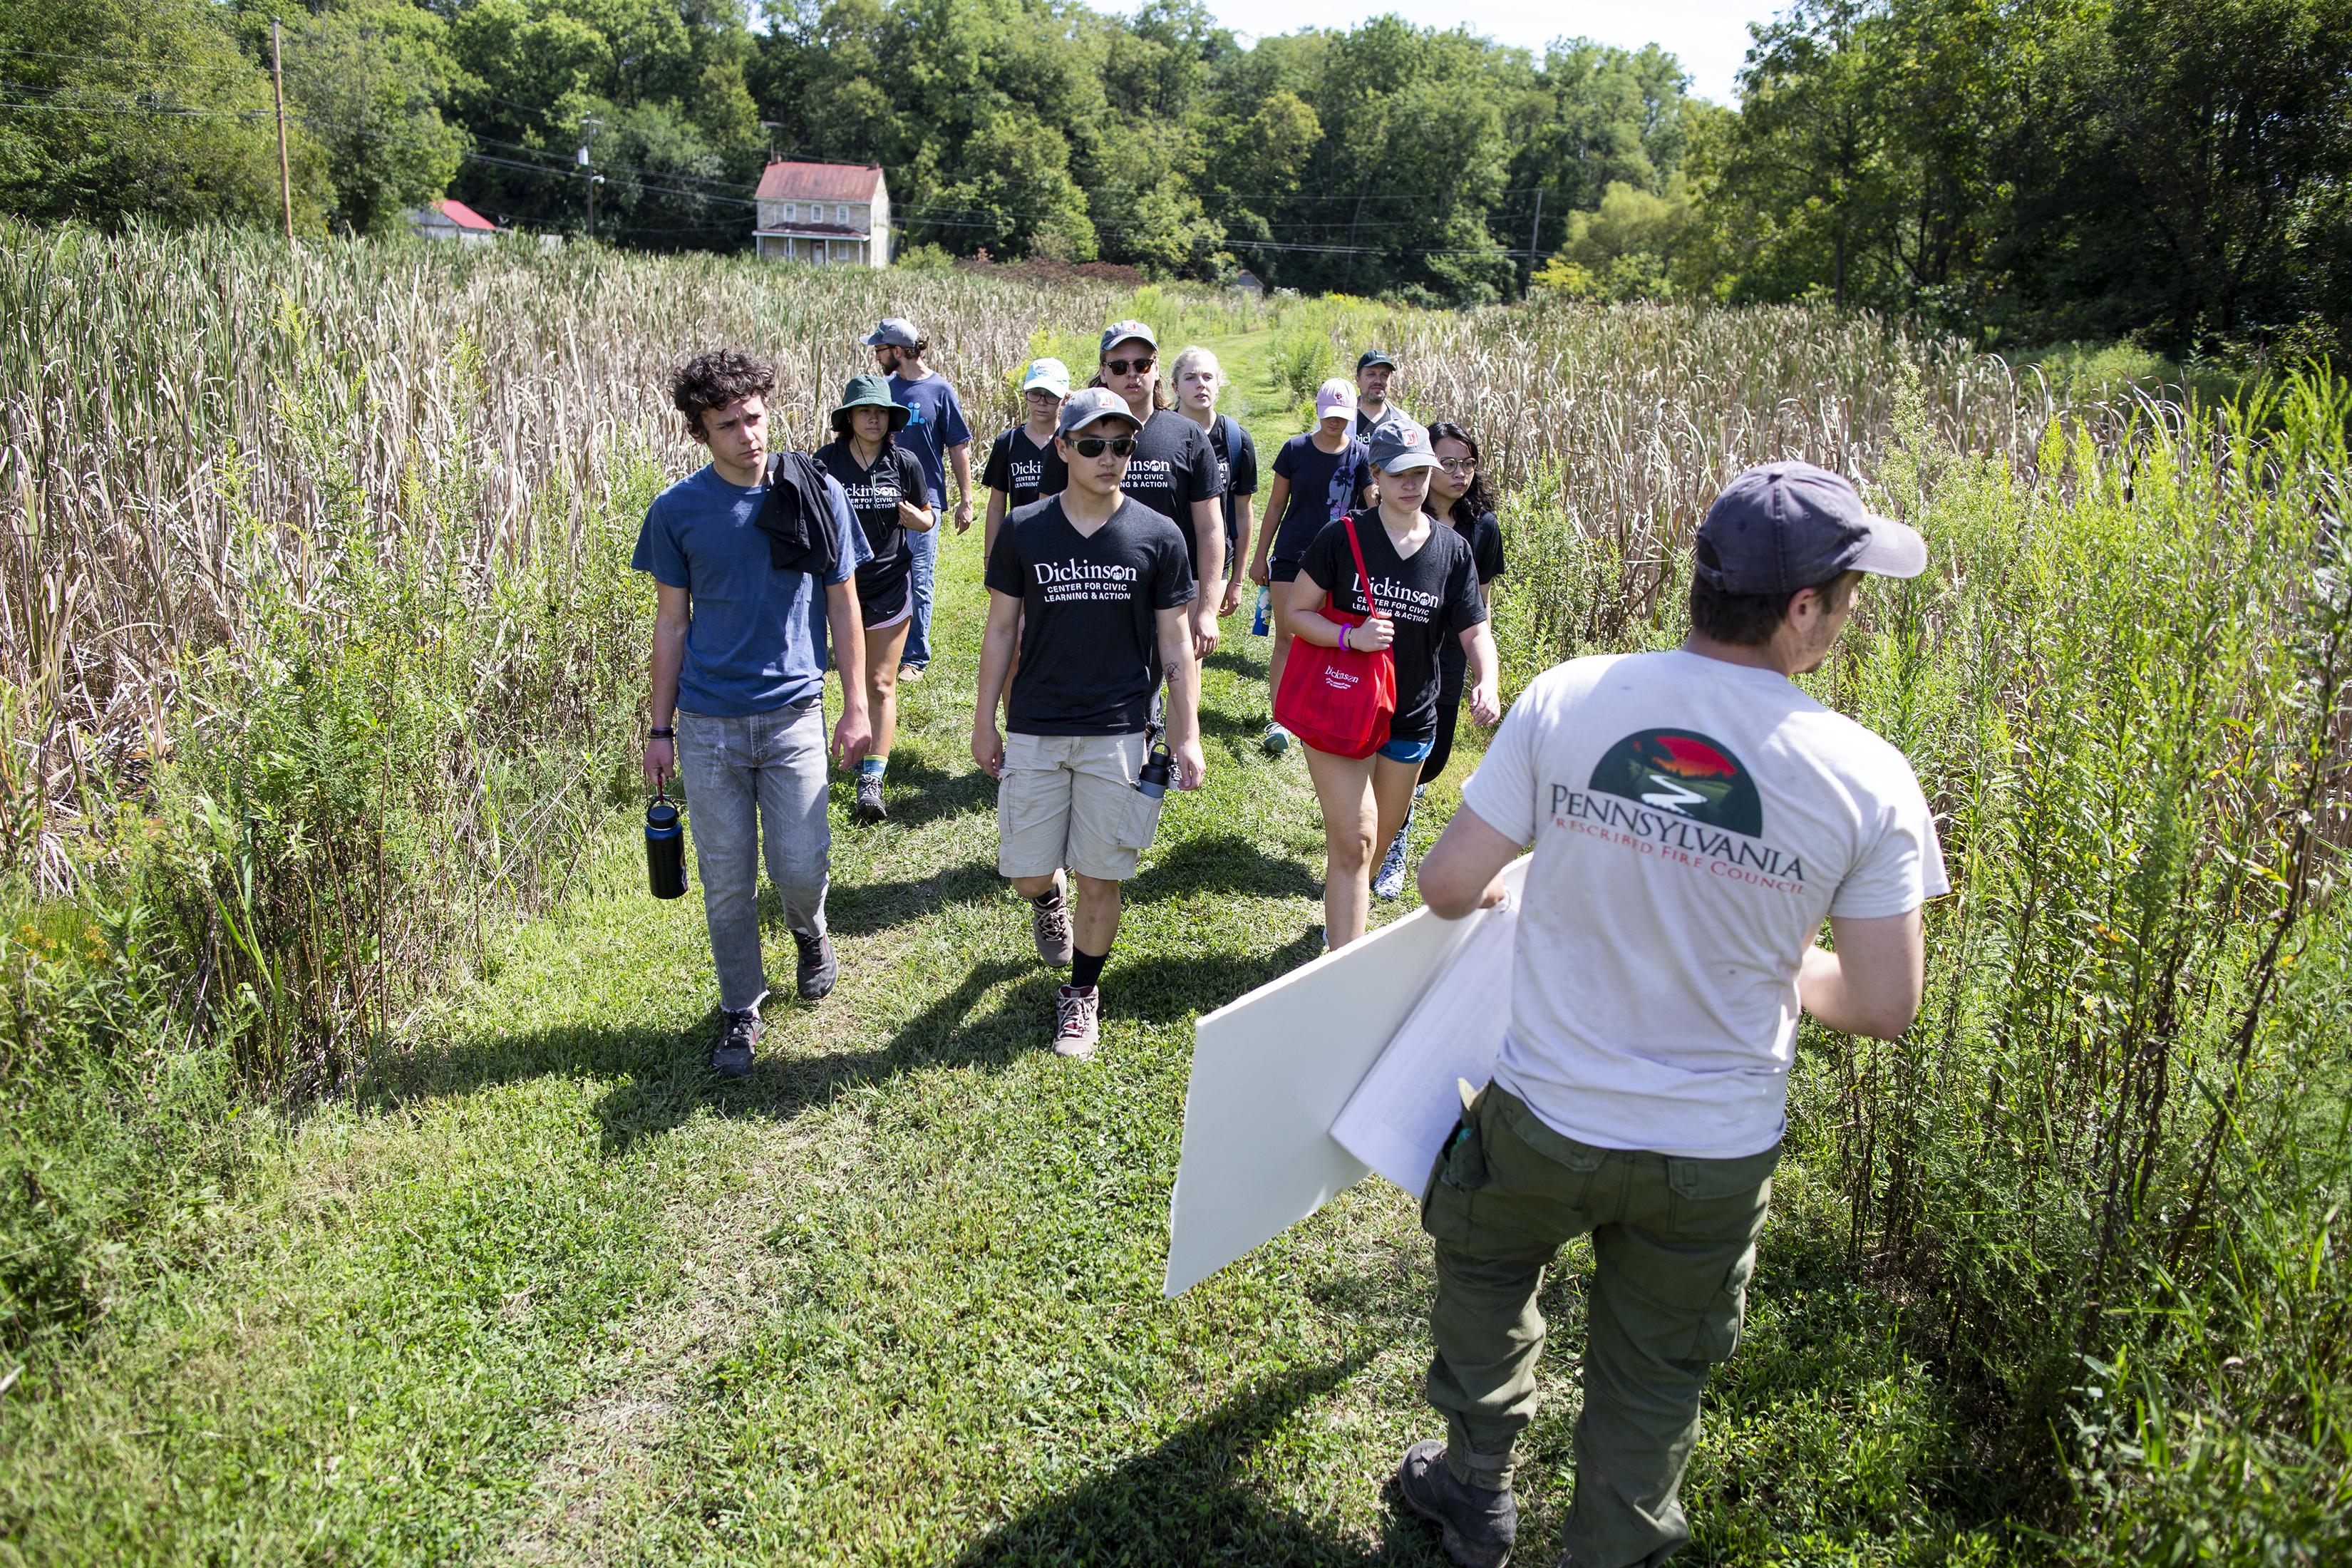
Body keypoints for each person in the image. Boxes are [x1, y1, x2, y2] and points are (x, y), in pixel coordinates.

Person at [1393, 460, 1946, 1568]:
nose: (1847, 617)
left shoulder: (1572, 696)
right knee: (1654, 1378)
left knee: (1488, 1270)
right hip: (1712, 1150)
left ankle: (1474, 1486)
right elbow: (1884, 1003)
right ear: (1800, 611)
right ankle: (1612, 1544)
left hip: (1545, 1113)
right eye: (1845, 597)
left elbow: (1447, 886)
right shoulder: (1866, 776)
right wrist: (1763, 962)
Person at [634, 350, 873, 1078]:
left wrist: (856, 703)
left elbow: (843, 601)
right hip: (708, 725)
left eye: (755, 417)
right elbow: (671, 624)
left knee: (800, 867)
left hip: (795, 712)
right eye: (727, 424)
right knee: (729, 879)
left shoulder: (815, 491)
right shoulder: (678, 512)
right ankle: (741, 1007)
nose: (748, 434)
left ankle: (809, 929)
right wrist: (660, 726)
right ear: (699, 433)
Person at [972, 388, 1206, 1058]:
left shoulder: (1158, 536)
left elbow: (1175, 645)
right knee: (1026, 873)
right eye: (1095, 445)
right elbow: (1000, 630)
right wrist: (985, 721)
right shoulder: (1026, 530)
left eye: (1123, 445)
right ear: (1065, 448)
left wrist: (1186, 733)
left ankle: (1080, 993)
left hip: (1121, 728)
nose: (1111, 458)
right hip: (1037, 723)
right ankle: (1049, 899)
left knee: (1103, 875)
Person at [1288, 423, 1497, 952]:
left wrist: (1487, 678)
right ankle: (1344, 974)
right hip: (1343, 711)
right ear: (1376, 473)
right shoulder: (1343, 537)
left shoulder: (1452, 551)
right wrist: (1348, 636)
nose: (1413, 484)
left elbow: (1475, 628)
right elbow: (1296, 614)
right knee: (1356, 841)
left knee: (1376, 842)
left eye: (1422, 473)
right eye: (1400, 473)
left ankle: (1339, 919)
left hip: (1410, 717)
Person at [1372, 419, 1506, 900]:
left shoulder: (1480, 529)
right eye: (1447, 462)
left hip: (1446, 657)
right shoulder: (1394, 507)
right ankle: (1384, 844)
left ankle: (1398, 808)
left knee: (1433, 760)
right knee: (1376, 756)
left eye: (1467, 463)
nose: (1458, 472)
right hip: (1386, 652)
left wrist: (1482, 670)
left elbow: (1480, 605)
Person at [812, 373, 934, 825]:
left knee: (880, 684)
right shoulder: (825, 463)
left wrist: (920, 522)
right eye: (865, 411)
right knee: (836, 681)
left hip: (888, 583)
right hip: (834, 590)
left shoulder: (905, 463)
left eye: (881, 412)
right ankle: (819, 761)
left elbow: (927, 515)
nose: (873, 419)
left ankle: (872, 781)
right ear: (848, 418)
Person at [1249, 378, 1371, 753]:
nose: (1335, 423)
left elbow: (1372, 507)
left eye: (1343, 416)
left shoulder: (1362, 456)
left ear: (1352, 416)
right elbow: (1275, 505)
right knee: (1287, 637)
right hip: (1293, 553)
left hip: (1341, 561)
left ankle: (1320, 711)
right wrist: (1259, 555)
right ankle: (1280, 718)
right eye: (1329, 415)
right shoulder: (1295, 449)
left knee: (1330, 639)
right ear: (1319, 412)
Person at [1093, 320, 1222, 661]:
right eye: (1119, 366)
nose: (1132, 374)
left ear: (1157, 368)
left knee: (1182, 690)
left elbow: (1210, 527)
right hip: (1098, 586)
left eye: (1142, 364)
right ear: (1104, 372)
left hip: (1175, 591)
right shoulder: (1080, 437)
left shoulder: (1188, 435)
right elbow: (1050, 517)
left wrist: (1207, 608)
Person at [862, 317, 973, 683]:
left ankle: (915, 658)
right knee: (882, 572)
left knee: (920, 576)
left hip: (926, 502)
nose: (877, 356)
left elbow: (958, 446)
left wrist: (966, 500)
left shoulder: (940, 390)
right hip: (881, 501)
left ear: (898, 351)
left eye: (880, 349)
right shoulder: (884, 390)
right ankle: (878, 641)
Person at [1170, 344, 1258, 621]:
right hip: (1165, 556)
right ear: (1175, 386)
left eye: (1208, 377)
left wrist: (1238, 579)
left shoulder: (1235, 439)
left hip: (1211, 561)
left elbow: (1242, 512)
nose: (1200, 385)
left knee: (1194, 650)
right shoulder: (1159, 434)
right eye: (1190, 378)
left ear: (1219, 383)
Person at [981, 356, 1072, 557]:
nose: (1042, 402)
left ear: (1064, 397)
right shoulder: (1009, 442)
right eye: (1035, 394)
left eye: (1050, 395)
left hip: (1064, 546)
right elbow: (997, 505)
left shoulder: (1073, 442)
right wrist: (990, 557)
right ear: (1025, 394)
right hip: (1020, 545)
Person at [1353, 349, 1409, 444]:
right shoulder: (1343, 419)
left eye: (1384, 375)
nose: (1378, 381)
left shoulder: (1404, 421)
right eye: (1371, 374)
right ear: (1358, 380)